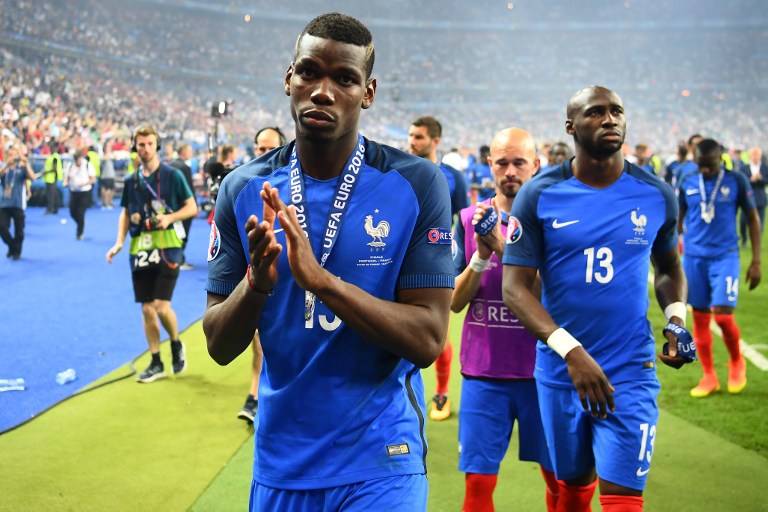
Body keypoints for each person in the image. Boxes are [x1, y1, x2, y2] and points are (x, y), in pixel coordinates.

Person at [203, 13, 454, 511]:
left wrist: (321, 281)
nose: (322, 91)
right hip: (282, 461)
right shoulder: (242, 188)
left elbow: (428, 338)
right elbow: (218, 344)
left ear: (369, 92)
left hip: (381, 459)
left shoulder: (417, 183)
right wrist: (256, 283)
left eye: (344, 78)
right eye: (309, 72)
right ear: (288, 78)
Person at [501, 85, 693, 512]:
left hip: (630, 366)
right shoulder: (539, 194)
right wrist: (571, 352)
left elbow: (669, 269)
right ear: (571, 126)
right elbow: (514, 288)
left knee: (623, 496)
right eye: (596, 112)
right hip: (559, 368)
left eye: (617, 111)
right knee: (572, 485)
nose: (610, 119)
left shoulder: (656, 193)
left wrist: (677, 319)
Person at [451, 127, 560, 511]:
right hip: (484, 374)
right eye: (502, 163)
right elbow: (454, 301)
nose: (510, 170)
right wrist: (481, 258)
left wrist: (504, 248)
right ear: (490, 165)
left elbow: (558, 297)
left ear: (536, 165)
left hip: (543, 373)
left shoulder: (553, 223)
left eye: (519, 162)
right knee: (478, 487)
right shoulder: (468, 220)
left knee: (561, 482)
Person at [106, 124, 197, 383]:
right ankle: (156, 361)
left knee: (160, 305)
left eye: (149, 144)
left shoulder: (172, 175)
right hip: (140, 247)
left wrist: (170, 218)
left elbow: (191, 207)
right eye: (140, 144)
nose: (145, 149)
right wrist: (119, 242)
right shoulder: (131, 180)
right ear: (135, 147)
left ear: (157, 145)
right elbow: (125, 212)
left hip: (168, 245)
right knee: (147, 309)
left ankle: (176, 343)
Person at [677, 138, 762, 397]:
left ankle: (737, 361)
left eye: (709, 165)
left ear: (720, 158)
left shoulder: (736, 180)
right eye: (700, 165)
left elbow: (752, 218)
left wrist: (756, 261)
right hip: (693, 258)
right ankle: (709, 376)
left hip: (725, 256)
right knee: (700, 319)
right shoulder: (687, 182)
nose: (704, 170)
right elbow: (678, 220)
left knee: (723, 317)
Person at [407, 115, 469, 421]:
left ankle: (442, 393)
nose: (412, 141)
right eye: (411, 136)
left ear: (435, 141)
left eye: (418, 137)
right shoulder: (399, 171)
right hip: (402, 258)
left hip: (436, 259)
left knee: (437, 328)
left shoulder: (454, 176)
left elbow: (461, 219)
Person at [237, 126, 286, 424]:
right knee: (257, 337)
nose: (263, 153)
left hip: (289, 278)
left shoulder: (296, 186)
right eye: (259, 148)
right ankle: (254, 395)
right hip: (256, 273)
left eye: (270, 148)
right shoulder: (243, 186)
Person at [0, 146, 37, 260]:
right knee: (2, 228)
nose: (13, 157)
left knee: (19, 230)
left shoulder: (21, 169)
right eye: (10, 155)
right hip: (4, 204)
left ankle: (17, 252)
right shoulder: (4, 168)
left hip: (18, 203)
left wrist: (26, 164)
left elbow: (33, 177)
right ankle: (12, 246)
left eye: (14, 155)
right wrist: (6, 164)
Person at [169, 143, 196, 269]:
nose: (191, 153)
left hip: (172, 205)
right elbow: (189, 189)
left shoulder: (169, 164)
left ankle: (174, 257)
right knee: (183, 233)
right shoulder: (185, 167)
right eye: (190, 150)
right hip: (185, 205)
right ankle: (179, 259)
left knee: (175, 232)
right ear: (184, 152)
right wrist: (194, 205)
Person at [63, 150, 96, 240]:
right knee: (72, 212)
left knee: (81, 212)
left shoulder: (87, 165)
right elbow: (66, 177)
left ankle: (79, 233)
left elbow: (93, 179)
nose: (78, 162)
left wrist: (85, 183)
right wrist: (65, 182)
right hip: (73, 191)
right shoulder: (70, 166)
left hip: (84, 192)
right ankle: (81, 222)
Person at [738, 146, 767, 247]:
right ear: (750, 156)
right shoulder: (744, 168)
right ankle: (744, 239)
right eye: (754, 155)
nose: (755, 157)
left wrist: (760, 178)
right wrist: (750, 179)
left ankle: (756, 243)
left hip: (760, 198)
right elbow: (741, 182)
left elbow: (766, 181)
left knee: (760, 224)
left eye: (757, 155)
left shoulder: (765, 168)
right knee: (743, 222)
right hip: (747, 198)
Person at [42, 142, 63, 214]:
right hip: (51, 178)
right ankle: (55, 209)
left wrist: (46, 171)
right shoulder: (53, 156)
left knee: (50, 195)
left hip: (52, 178)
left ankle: (49, 209)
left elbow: (54, 168)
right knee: (55, 194)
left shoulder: (54, 157)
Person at [100, 140, 117, 210]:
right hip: (106, 175)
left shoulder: (111, 155)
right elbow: (104, 160)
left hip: (111, 174)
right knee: (107, 189)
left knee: (111, 189)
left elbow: (116, 159)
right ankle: (105, 203)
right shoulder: (104, 156)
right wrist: (108, 153)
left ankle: (109, 202)